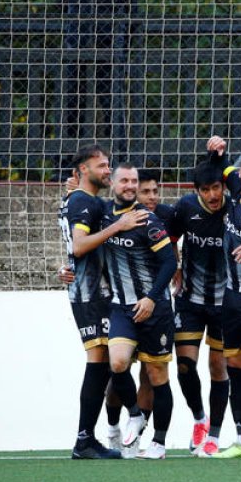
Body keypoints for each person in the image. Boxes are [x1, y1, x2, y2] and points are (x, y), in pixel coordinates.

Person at [58, 145, 148, 460]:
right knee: (102, 364)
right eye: (101, 165)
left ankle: (89, 438)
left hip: (92, 291)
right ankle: (120, 421)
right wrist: (118, 227)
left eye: (108, 164)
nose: (107, 170)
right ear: (82, 170)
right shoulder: (83, 201)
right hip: (90, 293)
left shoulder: (79, 199)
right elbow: (80, 245)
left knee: (104, 364)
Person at [100, 162, 178, 459]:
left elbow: (170, 262)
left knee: (157, 375)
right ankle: (134, 414)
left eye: (134, 182)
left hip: (154, 309)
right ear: (113, 184)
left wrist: (150, 298)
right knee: (117, 364)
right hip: (121, 307)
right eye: (126, 181)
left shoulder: (148, 220)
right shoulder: (103, 215)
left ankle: (158, 442)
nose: (131, 186)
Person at [198, 139, 241, 458]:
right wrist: (216, 150)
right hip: (231, 299)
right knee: (235, 366)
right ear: (240, 174)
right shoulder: (235, 185)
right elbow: (211, 170)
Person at [168, 155, 231, 454]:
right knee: (184, 366)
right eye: (205, 190)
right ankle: (199, 419)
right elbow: (169, 237)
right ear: (197, 191)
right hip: (190, 299)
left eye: (216, 187)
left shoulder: (235, 208)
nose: (212, 195)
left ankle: (214, 437)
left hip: (224, 303)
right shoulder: (185, 207)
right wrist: (175, 265)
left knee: (218, 368)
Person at [59, 0, 139, 151]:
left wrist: (122, 46)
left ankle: (120, 158)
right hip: (77, 48)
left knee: (113, 105)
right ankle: (66, 161)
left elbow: (134, 18)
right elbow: (61, 9)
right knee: (73, 103)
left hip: (112, 51)